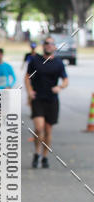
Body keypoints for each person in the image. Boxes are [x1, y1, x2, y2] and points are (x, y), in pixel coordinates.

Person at [25, 36, 68, 168]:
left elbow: (65, 80)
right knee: (39, 128)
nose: (49, 45)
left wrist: (60, 87)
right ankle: (36, 153)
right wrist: (29, 91)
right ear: (43, 46)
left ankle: (44, 156)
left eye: (51, 44)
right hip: (38, 98)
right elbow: (27, 77)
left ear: (55, 47)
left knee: (48, 130)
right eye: (46, 43)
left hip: (52, 100)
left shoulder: (59, 63)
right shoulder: (35, 60)